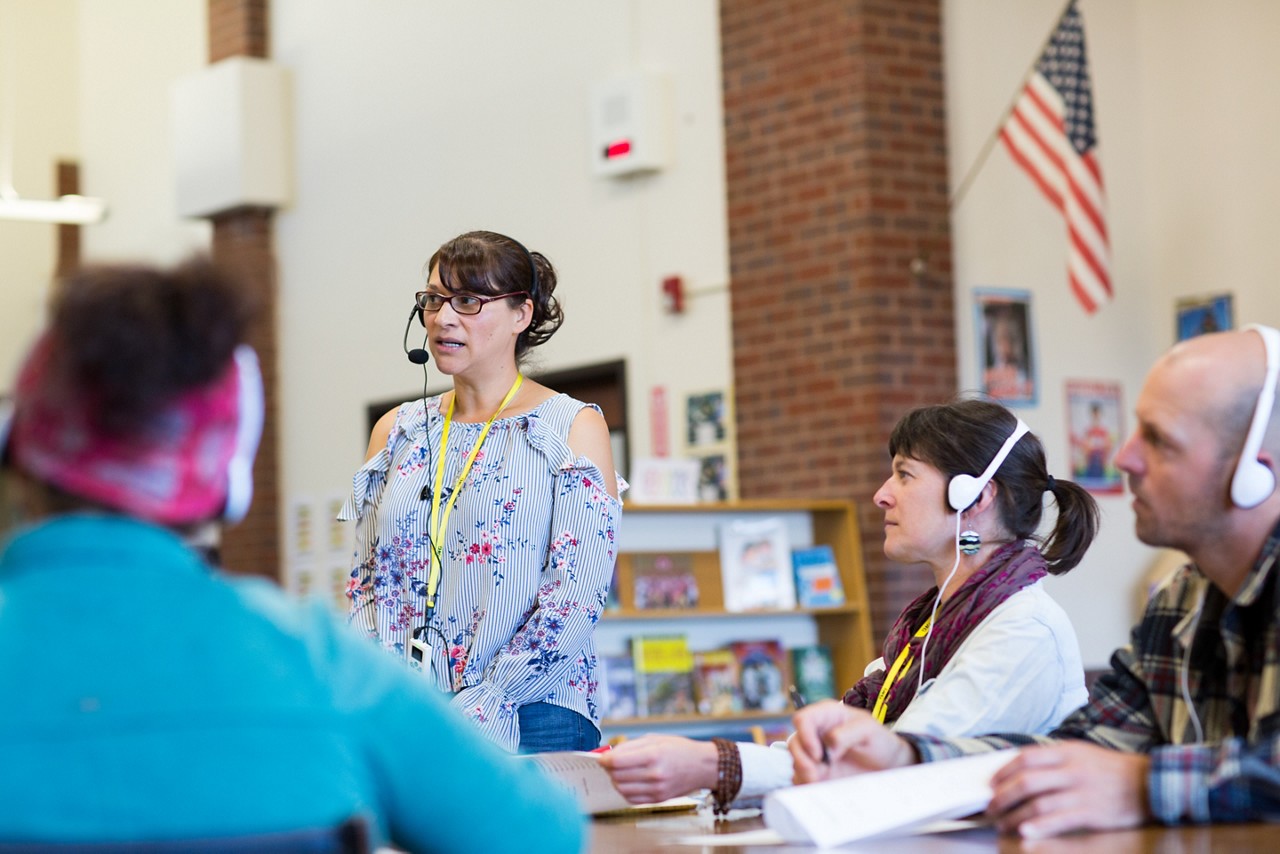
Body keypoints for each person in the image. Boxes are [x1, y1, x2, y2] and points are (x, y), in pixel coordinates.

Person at [0, 259, 582, 850]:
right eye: (436, 300)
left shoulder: (565, 425)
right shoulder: (320, 664)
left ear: (16, 446)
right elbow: (540, 836)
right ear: (228, 472)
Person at [790, 325, 1280, 839]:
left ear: (1255, 473)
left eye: (1158, 439)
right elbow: (1079, 751)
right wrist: (906, 753)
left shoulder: (1026, 624)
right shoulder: (1181, 601)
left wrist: (1139, 784)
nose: (1123, 457)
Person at [601, 399, 1099, 809]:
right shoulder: (924, 629)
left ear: (974, 496)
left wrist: (714, 764)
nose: (882, 495)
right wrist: (716, 771)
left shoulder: (1023, 630)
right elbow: (824, 756)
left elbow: (890, 765)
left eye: (905, 475)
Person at [342, 230, 624, 753]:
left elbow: (577, 597)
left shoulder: (570, 428)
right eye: (433, 300)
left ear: (522, 313)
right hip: (406, 715)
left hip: (531, 713)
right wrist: (380, 694)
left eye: (469, 301)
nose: (443, 318)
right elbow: (366, 583)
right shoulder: (396, 430)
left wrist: (486, 702)